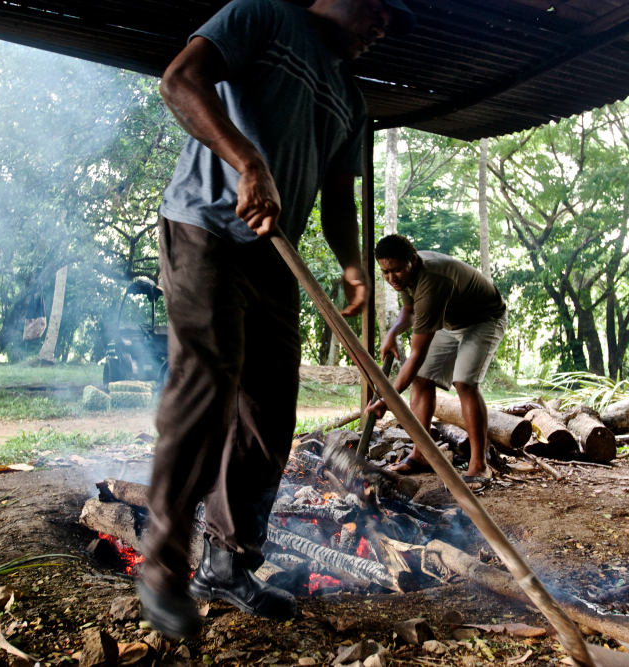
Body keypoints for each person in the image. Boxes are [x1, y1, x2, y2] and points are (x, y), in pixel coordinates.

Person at [138, 0, 416, 639]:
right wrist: (248, 161)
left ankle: (228, 564)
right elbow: (180, 80)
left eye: (390, 23)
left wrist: (351, 264)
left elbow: (339, 193)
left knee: (269, 414)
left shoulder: (351, 95)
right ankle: (162, 560)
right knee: (208, 384)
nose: (382, 26)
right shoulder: (261, 16)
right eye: (378, 8)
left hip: (272, 255)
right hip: (204, 226)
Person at [368, 235, 508, 491]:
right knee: (422, 378)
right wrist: (391, 333)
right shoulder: (408, 276)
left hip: (483, 319)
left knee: (464, 383)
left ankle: (479, 465)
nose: (391, 278)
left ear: (412, 260)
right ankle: (422, 453)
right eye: (385, 272)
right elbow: (409, 311)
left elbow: (416, 354)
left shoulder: (432, 282)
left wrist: (387, 398)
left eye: (396, 270)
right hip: (450, 320)